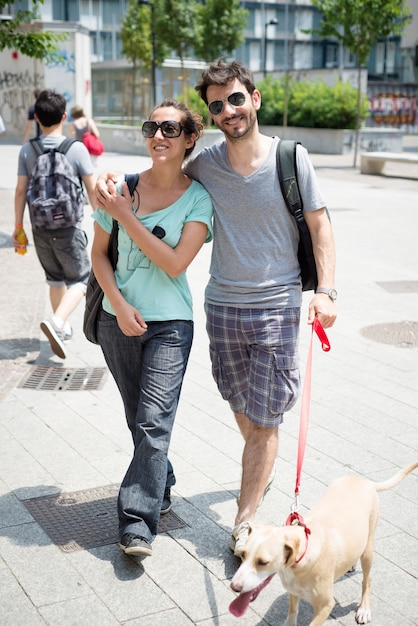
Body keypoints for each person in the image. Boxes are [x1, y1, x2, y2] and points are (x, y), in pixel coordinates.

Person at [96, 60, 337, 559]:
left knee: (264, 419)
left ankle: (244, 522)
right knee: (243, 409)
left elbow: (320, 226)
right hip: (222, 307)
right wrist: (103, 177)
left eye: (235, 99)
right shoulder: (204, 165)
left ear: (255, 99)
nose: (228, 110)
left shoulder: (291, 158)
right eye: (217, 104)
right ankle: (256, 463)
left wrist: (326, 291)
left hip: (276, 304)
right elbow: (160, 171)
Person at [91, 99, 213, 558]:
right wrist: (118, 305)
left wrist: (126, 216)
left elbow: (176, 262)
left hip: (170, 326)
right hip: (116, 320)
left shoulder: (199, 199)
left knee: (153, 420)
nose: (158, 135)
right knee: (137, 419)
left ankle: (137, 523)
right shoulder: (120, 186)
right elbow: (99, 255)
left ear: (188, 139)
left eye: (169, 128)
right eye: (151, 127)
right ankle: (161, 478)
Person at [14, 89, 97, 359]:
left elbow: (19, 192)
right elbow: (92, 190)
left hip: (39, 228)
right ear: (64, 116)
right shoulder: (76, 149)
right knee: (81, 278)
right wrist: (102, 221)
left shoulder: (27, 150)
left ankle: (60, 326)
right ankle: (58, 322)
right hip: (69, 227)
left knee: (54, 279)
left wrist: (19, 228)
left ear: (36, 118)